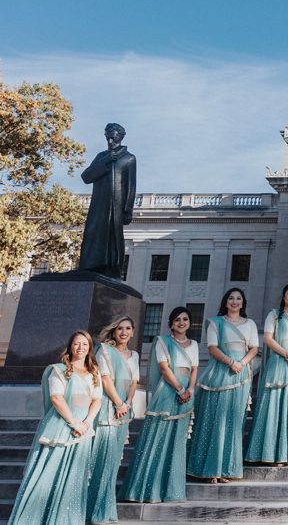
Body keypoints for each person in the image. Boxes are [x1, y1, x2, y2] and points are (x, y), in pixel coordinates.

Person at [8, 331, 102, 525]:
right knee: (48, 474)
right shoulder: (58, 370)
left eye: (85, 344)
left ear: (90, 348)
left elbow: (97, 400)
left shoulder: (95, 372)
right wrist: (74, 423)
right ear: (70, 347)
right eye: (76, 344)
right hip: (61, 427)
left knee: (74, 478)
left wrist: (87, 423)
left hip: (84, 430)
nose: (81, 347)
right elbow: (56, 398)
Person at [121, 307, 199, 503]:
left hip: (186, 395)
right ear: (171, 323)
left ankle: (171, 490)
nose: (182, 322)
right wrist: (180, 390)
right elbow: (164, 369)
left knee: (177, 442)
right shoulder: (162, 342)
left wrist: (190, 390)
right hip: (168, 392)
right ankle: (146, 491)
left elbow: (194, 369)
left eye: (185, 319)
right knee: (157, 438)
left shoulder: (194, 345)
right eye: (177, 319)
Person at [188, 288, 260, 481]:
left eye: (238, 298)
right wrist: (231, 362)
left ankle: (227, 469)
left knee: (234, 422)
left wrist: (241, 363)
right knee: (215, 419)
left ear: (243, 302)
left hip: (241, 376)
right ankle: (210, 469)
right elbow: (212, 348)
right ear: (225, 302)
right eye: (231, 298)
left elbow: (254, 348)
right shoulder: (215, 322)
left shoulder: (250, 324)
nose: (235, 301)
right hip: (220, 373)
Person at [246, 283, 288, 465]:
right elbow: (267, 339)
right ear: (283, 296)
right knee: (274, 406)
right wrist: (287, 355)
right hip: (279, 363)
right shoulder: (274, 315)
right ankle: (270, 454)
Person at [88, 316, 140, 524]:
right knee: (101, 460)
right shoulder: (105, 351)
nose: (123, 332)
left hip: (123, 412)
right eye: (119, 329)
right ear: (114, 331)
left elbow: (134, 382)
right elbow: (105, 379)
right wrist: (119, 403)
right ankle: (93, 512)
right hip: (108, 410)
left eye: (127, 328)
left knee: (112, 464)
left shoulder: (135, 355)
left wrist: (127, 403)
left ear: (133, 332)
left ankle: (105, 510)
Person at [78, 122, 137, 278]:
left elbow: (131, 185)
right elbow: (86, 177)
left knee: (114, 237)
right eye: (107, 138)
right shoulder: (101, 156)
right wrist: (105, 161)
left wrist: (128, 208)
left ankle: (112, 268)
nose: (110, 141)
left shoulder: (129, 158)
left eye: (113, 138)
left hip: (117, 206)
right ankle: (90, 265)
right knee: (93, 232)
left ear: (120, 137)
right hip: (99, 204)